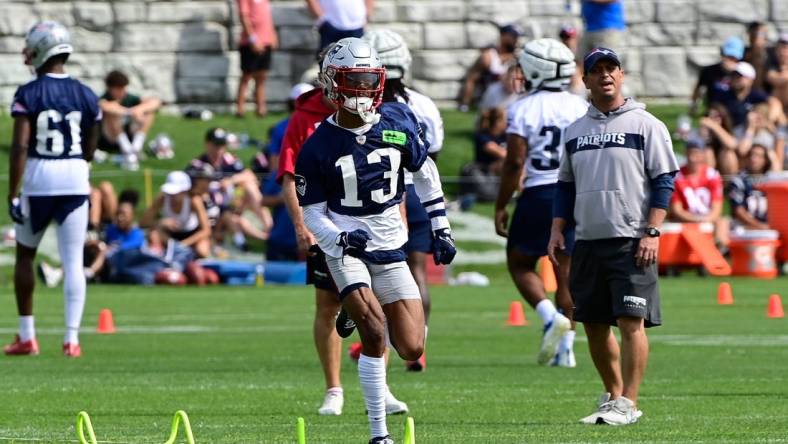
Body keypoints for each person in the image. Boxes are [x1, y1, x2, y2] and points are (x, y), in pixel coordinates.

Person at [295, 37, 456, 444]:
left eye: (370, 79)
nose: (364, 90)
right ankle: (378, 433)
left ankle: (351, 310)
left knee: (412, 347)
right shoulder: (317, 146)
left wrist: (440, 226)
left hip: (390, 244)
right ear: (332, 84)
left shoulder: (399, 119)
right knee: (373, 332)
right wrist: (338, 238)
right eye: (355, 80)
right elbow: (312, 212)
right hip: (346, 247)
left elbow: (425, 174)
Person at [548, 47, 679, 425]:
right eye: (597, 70)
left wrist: (652, 231)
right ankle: (613, 395)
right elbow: (565, 186)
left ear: (621, 75)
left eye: (611, 69)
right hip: (588, 240)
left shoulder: (646, 125)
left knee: (630, 321)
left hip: (632, 239)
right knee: (592, 321)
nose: (605, 75)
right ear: (585, 80)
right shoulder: (575, 131)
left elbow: (664, 181)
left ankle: (630, 402)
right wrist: (558, 229)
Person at [277, 43, 408, 416]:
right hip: (329, 224)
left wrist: (399, 215)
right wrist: (303, 226)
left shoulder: (377, 111)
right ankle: (333, 388)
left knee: (382, 303)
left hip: (374, 228)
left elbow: (391, 172)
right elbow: (290, 175)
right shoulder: (306, 117)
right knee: (327, 304)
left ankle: (379, 386)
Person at [5, 21, 101, 358]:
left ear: (41, 50)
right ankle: (71, 339)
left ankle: (27, 336)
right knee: (73, 261)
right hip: (75, 175)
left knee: (26, 255)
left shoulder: (29, 94)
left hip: (39, 176)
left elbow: (19, 147)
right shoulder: (86, 94)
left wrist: (12, 192)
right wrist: (82, 164)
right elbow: (92, 139)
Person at [494, 38, 588, 368]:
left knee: (520, 263)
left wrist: (501, 204)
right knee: (566, 270)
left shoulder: (523, 107)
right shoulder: (580, 106)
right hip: (575, 193)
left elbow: (515, 161)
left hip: (539, 193)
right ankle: (568, 350)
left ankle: (549, 317)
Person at [364, 28, 446, 372]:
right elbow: (433, 157)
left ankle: (379, 340)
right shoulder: (423, 104)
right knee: (416, 272)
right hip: (416, 192)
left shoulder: (367, 106)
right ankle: (418, 342)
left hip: (380, 196)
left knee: (378, 274)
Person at [189, 128, 271, 250]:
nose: (219, 149)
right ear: (207, 144)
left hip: (232, 204)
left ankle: (269, 228)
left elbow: (249, 175)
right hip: (211, 209)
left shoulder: (229, 160)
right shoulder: (198, 165)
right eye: (216, 145)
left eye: (222, 145)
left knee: (249, 185)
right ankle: (255, 240)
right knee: (234, 219)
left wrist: (231, 181)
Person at [669, 140, 729, 248]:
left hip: (708, 217)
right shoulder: (677, 177)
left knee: (723, 222)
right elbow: (677, 210)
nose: (692, 158)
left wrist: (706, 219)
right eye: (690, 154)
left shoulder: (713, 175)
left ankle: (720, 252)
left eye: (696, 154)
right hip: (685, 218)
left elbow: (717, 209)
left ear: (702, 155)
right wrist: (697, 219)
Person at [98, 70, 161, 170]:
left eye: (123, 88)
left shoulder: (129, 98)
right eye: (118, 88)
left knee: (149, 113)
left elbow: (155, 102)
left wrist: (139, 110)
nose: (122, 91)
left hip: (130, 135)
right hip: (109, 139)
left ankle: (135, 148)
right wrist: (129, 112)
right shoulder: (104, 98)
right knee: (113, 114)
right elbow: (106, 106)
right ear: (110, 88)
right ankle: (128, 151)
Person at [141, 171, 212, 259]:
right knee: (154, 234)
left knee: (202, 251)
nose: (172, 196)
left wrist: (183, 244)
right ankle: (158, 257)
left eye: (176, 193)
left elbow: (206, 230)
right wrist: (161, 222)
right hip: (170, 236)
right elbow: (143, 223)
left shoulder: (194, 200)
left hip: (191, 234)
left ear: (184, 191)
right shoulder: (162, 198)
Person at [458, 24, 520, 112]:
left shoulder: (519, 57)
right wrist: (465, 104)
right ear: (503, 36)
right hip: (491, 100)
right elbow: (471, 79)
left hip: (513, 100)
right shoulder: (489, 56)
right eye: (513, 36)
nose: (516, 40)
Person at [235, 0, 278, 117]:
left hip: (266, 41)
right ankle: (240, 108)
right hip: (250, 43)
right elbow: (243, 16)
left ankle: (261, 108)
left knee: (262, 76)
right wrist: (252, 39)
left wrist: (272, 35)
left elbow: (267, 17)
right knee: (246, 76)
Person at [690, 37, 744, 115]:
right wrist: (693, 105)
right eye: (729, 56)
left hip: (734, 112)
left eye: (734, 58)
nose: (730, 60)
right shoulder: (709, 71)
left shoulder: (742, 73)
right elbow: (699, 88)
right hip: (713, 112)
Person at [727, 144, 775, 230]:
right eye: (752, 155)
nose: (754, 159)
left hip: (770, 229)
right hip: (743, 228)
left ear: (766, 160)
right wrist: (760, 226)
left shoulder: (772, 181)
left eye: (759, 156)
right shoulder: (738, 181)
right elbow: (738, 210)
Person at [306, 0, 374, 52]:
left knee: (358, 64)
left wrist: (366, 16)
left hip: (357, 25)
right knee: (326, 63)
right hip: (329, 25)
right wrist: (322, 18)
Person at [474, 107, 508, 174]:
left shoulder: (505, 135)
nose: (508, 123)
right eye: (506, 120)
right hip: (485, 172)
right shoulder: (483, 135)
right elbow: (501, 153)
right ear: (498, 122)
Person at [743, 21, 772, 93]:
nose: (764, 37)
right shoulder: (743, 52)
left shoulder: (772, 53)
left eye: (764, 34)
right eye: (759, 34)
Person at [559, 24, 586, 95]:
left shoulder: (583, 56)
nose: (567, 41)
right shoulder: (557, 57)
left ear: (576, 39)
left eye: (570, 37)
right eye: (564, 37)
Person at [766, 33, 788, 114]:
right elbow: (772, 79)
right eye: (780, 48)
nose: (782, 52)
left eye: (785, 48)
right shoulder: (772, 65)